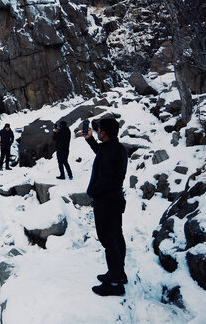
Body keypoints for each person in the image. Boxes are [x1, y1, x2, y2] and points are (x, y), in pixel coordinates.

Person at [83, 117, 128, 296]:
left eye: (99, 130)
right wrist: (89, 139)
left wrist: (93, 191)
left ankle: (116, 284)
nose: (97, 131)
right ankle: (118, 273)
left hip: (106, 202)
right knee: (116, 236)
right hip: (115, 200)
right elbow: (102, 152)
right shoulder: (117, 148)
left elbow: (107, 179)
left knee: (108, 241)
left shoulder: (110, 151)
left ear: (104, 132)